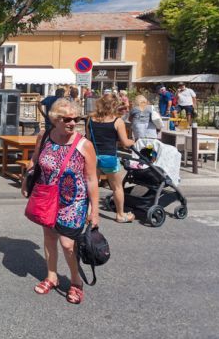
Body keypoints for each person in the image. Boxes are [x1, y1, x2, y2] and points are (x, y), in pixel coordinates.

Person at [22, 98, 99, 304]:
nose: (72, 123)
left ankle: (76, 282)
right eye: (67, 119)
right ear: (55, 119)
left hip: (74, 200)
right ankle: (52, 276)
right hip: (48, 195)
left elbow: (92, 179)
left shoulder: (84, 144)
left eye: (76, 119)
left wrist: (95, 210)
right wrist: (26, 178)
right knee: (49, 237)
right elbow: (35, 160)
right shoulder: (45, 136)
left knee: (67, 243)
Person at [86, 96, 135, 223]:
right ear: (114, 106)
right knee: (117, 187)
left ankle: (89, 213)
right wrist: (133, 141)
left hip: (93, 157)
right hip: (109, 158)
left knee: (92, 186)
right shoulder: (118, 121)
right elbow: (125, 143)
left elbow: (88, 140)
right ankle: (120, 215)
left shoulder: (90, 119)